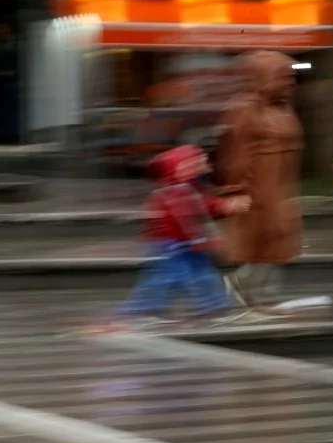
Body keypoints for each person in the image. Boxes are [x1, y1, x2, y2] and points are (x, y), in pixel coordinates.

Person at [118, 145, 251, 327]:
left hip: (185, 243)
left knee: (200, 274)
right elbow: (193, 213)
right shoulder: (175, 192)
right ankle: (140, 311)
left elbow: (204, 206)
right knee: (168, 278)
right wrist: (225, 207)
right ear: (183, 166)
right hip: (169, 245)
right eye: (200, 162)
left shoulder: (190, 188)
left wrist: (224, 207)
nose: (207, 165)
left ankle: (215, 307)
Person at [218, 51, 305, 311]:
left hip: (282, 186)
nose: (290, 84)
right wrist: (237, 188)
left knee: (281, 239)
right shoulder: (245, 109)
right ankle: (243, 285)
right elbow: (236, 155)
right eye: (283, 77)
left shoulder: (284, 110)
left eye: (292, 78)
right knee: (264, 239)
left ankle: (263, 294)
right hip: (259, 186)